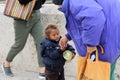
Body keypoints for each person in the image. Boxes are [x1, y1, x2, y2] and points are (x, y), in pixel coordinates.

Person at [53, 0, 120, 80]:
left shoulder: (74, 2)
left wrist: (90, 44)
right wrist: (68, 36)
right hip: (113, 38)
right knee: (106, 73)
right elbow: (81, 22)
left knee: (102, 73)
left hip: (106, 42)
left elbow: (94, 17)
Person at [1, 0, 46, 79]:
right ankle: (6, 63)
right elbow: (22, 1)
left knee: (41, 42)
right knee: (19, 44)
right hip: (21, 18)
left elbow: (41, 2)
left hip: (36, 16)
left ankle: (42, 70)